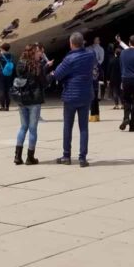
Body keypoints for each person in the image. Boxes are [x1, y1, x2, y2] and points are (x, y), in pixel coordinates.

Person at [52, 32, 96, 167]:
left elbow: (58, 75)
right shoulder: (90, 55)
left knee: (68, 126)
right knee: (84, 127)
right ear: (82, 43)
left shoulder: (69, 59)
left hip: (71, 96)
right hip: (86, 95)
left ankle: (67, 155)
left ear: (71, 44)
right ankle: (82, 158)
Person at [12, 44, 47, 165]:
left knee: (23, 127)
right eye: (38, 52)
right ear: (33, 53)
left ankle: (17, 156)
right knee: (32, 129)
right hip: (34, 100)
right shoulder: (37, 66)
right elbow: (44, 83)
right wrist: (50, 74)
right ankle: (30, 157)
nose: (40, 54)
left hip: (22, 99)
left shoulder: (20, 63)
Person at [0, 44, 15, 112]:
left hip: (1, 73)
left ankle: (2, 106)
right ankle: (7, 107)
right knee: (8, 89)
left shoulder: (0, 55)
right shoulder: (11, 55)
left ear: (2, 48)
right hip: (9, 73)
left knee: (2, 89)